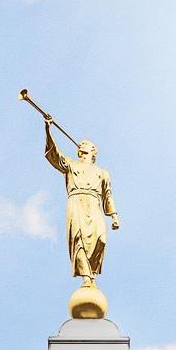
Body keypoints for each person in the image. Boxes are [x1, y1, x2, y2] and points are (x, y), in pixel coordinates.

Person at [44, 120, 120, 287]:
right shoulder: (71, 165)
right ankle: (86, 277)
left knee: (101, 238)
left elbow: (107, 195)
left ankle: (92, 272)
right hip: (76, 201)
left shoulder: (102, 173)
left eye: (85, 144)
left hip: (94, 203)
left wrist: (114, 216)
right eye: (81, 144)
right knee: (78, 239)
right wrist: (48, 130)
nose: (81, 145)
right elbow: (55, 155)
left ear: (93, 151)